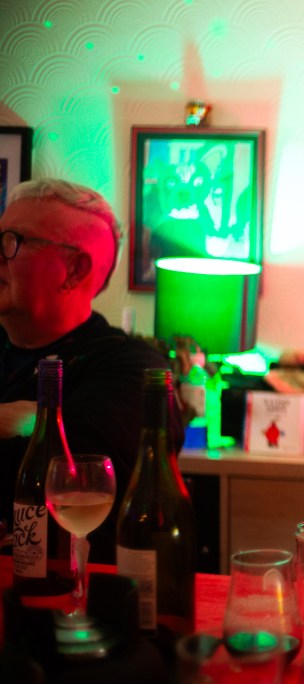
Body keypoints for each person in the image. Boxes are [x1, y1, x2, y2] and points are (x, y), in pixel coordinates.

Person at [0, 178, 176, 564]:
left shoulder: (132, 370)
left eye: (12, 241)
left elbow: (60, 481)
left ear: (75, 270)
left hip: (65, 593)